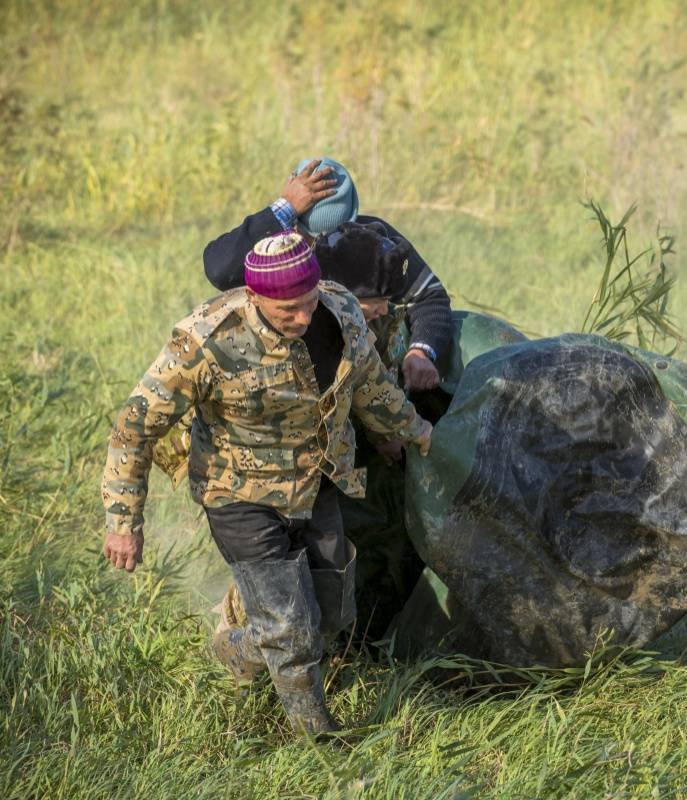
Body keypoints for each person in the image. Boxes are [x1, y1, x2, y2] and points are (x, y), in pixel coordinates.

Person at [101, 232, 433, 734]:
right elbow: (135, 427)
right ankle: (318, 743)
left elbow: (371, 385)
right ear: (255, 298)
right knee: (292, 634)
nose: (302, 318)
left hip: (315, 484)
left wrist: (419, 433)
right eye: (287, 312)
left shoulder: (342, 310)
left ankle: (237, 647)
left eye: (308, 302)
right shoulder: (207, 338)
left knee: (331, 616)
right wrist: (123, 522)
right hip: (238, 495)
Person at [202, 157, 453, 392]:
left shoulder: (374, 244)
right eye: (310, 237)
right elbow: (220, 270)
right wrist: (284, 208)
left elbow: (429, 296)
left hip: (365, 382)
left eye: (335, 237)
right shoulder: (275, 256)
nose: (317, 247)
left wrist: (420, 350)